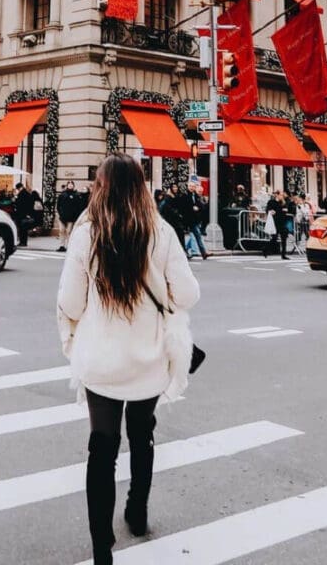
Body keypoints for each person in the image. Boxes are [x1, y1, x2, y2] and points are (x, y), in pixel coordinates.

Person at [56, 154, 200, 565]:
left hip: (101, 362)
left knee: (101, 447)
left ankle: (103, 547)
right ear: (139, 188)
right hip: (148, 361)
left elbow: (70, 302)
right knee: (142, 433)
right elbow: (188, 295)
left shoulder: (87, 234)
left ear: (101, 188)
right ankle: (137, 511)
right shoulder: (162, 231)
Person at [182, 182, 210, 260]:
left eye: (193, 186)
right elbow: (184, 207)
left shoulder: (195, 196)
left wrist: (197, 208)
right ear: (188, 186)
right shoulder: (185, 195)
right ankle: (201, 252)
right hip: (188, 219)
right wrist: (193, 208)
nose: (191, 187)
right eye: (190, 186)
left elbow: (200, 206)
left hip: (194, 219)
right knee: (194, 236)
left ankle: (203, 253)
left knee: (196, 236)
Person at [56, 180, 84, 252]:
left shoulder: (76, 195)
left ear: (73, 186)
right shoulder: (62, 194)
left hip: (71, 217)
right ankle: (62, 245)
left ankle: (69, 246)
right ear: (67, 185)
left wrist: (76, 215)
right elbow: (58, 205)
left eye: (72, 184)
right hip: (62, 217)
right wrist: (60, 213)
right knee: (61, 231)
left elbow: (79, 207)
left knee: (69, 231)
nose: (70, 185)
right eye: (69, 184)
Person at [13, 183, 35, 247]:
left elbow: (19, 204)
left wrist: (15, 200)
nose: (17, 190)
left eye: (17, 189)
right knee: (24, 229)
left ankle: (22, 242)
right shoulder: (27, 193)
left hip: (21, 214)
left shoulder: (22, 194)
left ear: (19, 188)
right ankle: (23, 242)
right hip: (25, 213)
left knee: (22, 229)